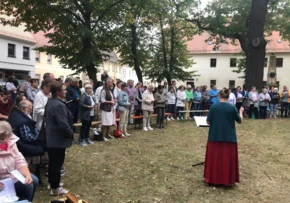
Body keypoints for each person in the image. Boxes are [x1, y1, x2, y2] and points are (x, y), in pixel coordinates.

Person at [204, 88, 244, 186]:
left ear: (219, 96)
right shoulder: (232, 107)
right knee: (227, 160)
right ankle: (228, 180)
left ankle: (212, 179)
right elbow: (240, 121)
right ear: (228, 97)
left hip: (215, 136)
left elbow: (208, 121)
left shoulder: (213, 107)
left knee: (215, 158)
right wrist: (241, 112)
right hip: (229, 137)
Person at [45, 82, 73, 195]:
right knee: (57, 163)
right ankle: (55, 188)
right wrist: (71, 133)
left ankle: (52, 183)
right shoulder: (58, 105)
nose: (65, 91)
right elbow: (63, 124)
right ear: (58, 92)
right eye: (64, 89)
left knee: (53, 162)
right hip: (57, 139)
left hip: (52, 137)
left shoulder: (51, 102)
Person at [0, 121, 39, 202]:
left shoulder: (11, 142)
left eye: (4, 139)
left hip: (12, 175)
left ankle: (26, 200)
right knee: (28, 186)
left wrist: (27, 174)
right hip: (2, 179)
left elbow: (19, 160)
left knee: (33, 180)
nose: (2, 141)